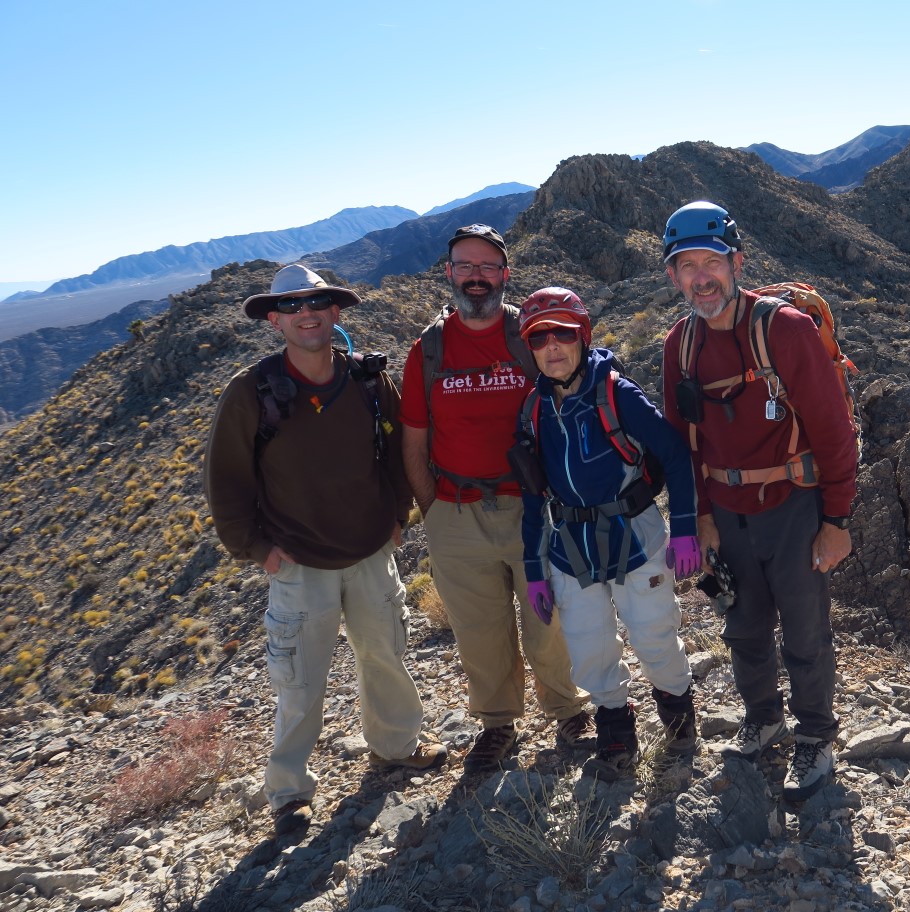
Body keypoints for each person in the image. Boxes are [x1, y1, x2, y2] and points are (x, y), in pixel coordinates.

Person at [204, 263, 447, 837]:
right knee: (300, 682)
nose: (305, 313)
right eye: (290, 306)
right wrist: (256, 548)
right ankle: (288, 791)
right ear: (273, 321)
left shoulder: (366, 380)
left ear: (335, 312)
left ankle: (395, 745)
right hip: (298, 564)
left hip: (368, 553)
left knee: (386, 655)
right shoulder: (252, 392)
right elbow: (227, 479)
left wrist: (396, 516)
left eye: (316, 302)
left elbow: (396, 452)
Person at [659, 202, 859, 801]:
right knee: (744, 629)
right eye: (686, 266)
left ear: (737, 262)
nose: (701, 277)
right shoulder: (680, 346)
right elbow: (682, 445)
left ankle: (816, 738)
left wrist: (837, 520)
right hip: (727, 512)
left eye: (711, 262)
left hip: (795, 507)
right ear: (673, 277)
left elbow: (833, 431)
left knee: (804, 630)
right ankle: (764, 719)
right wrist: (698, 520)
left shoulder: (785, 331)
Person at [400, 225, 590, 776]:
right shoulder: (428, 350)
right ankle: (498, 725)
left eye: (487, 267)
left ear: (505, 275)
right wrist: (433, 509)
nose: (477, 276)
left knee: (547, 619)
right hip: (455, 511)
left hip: (534, 507)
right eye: (466, 266)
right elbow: (413, 438)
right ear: (449, 274)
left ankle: (567, 709)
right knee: (479, 631)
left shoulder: (529, 336)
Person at [512, 287, 701, 780]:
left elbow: (677, 458)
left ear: (583, 337)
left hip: (634, 536)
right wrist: (534, 573)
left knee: (654, 634)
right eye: (539, 338)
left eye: (563, 334)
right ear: (529, 348)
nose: (552, 347)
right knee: (587, 644)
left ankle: (677, 707)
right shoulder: (533, 411)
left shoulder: (617, 394)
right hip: (570, 547)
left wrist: (684, 530)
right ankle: (615, 722)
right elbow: (533, 496)